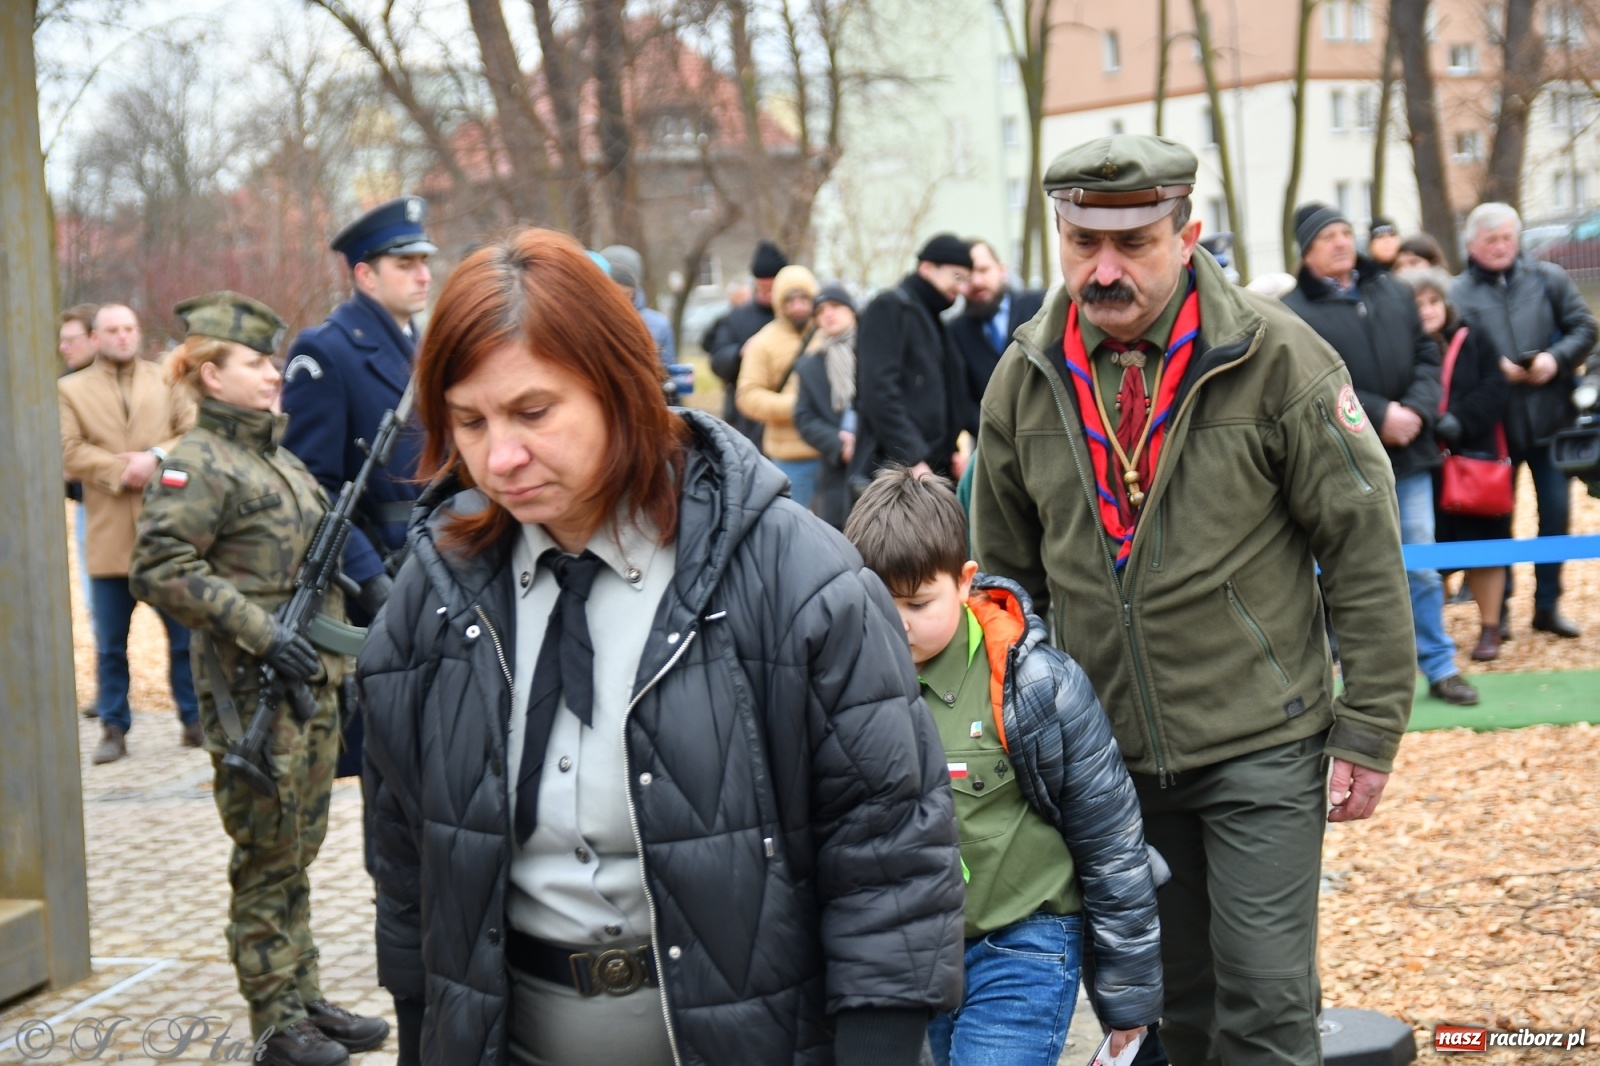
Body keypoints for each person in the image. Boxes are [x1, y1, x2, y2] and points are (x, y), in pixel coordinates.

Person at [356, 229, 963, 1065]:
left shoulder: (797, 578)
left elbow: (888, 852)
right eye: (468, 421)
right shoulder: (429, 598)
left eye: (534, 411)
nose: (500, 456)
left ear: (619, 386)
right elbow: (408, 867)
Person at [971, 135, 1416, 1066]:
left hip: (1262, 737)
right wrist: (1020, 740)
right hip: (1110, 761)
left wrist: (1369, 725)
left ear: (1188, 234)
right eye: (1083, 241)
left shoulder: (1276, 356)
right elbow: (1007, 586)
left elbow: (1363, 545)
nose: (1104, 268)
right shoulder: (1025, 374)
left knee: (1264, 1000)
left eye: (1132, 243)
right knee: (1169, 1009)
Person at [128, 292, 391, 1066]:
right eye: (254, 362)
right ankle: (275, 1021)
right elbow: (159, 568)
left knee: (298, 848)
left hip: (307, 679)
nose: (273, 373)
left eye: (271, 360)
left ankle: (303, 995)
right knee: (264, 856)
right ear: (211, 375)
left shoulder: (275, 457)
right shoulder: (196, 464)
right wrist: (262, 631)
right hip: (254, 692)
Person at [844, 467, 1161, 1066]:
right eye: (877, 602)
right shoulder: (847, 686)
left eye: (917, 603)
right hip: (924, 954)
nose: (898, 623)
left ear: (965, 582)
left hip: (1028, 940)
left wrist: (1129, 997)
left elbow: (1110, 838)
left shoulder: (1035, 684)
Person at [1282, 203, 1477, 707]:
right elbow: (1304, 384)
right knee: (1347, 569)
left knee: (1421, 566)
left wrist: (1412, 412)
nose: (1343, 242)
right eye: (1329, 236)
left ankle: (1439, 665)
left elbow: (1427, 356)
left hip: (1408, 457)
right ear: (1306, 250)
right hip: (1339, 460)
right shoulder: (1292, 312)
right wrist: (1377, 414)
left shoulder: (1393, 290)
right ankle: (1364, 680)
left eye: (1346, 232)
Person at [282, 196, 432, 767]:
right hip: (382, 571)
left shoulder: (425, 345)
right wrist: (368, 576)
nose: (422, 274)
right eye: (405, 263)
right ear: (365, 274)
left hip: (440, 555)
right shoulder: (326, 352)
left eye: (424, 261)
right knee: (390, 751)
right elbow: (311, 486)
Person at [59, 303, 199, 762]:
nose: (123, 337)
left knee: (184, 638)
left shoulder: (167, 378)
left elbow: (195, 432)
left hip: (168, 533)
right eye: (113, 330)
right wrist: (120, 470)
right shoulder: (70, 390)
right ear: (95, 338)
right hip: (108, 535)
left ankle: (194, 719)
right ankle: (114, 727)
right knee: (110, 644)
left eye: (130, 328)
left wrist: (155, 457)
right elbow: (66, 451)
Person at [1452, 201, 1598, 639]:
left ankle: (1548, 606)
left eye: (1506, 238)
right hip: (1493, 430)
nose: (1500, 247)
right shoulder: (1457, 293)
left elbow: (1584, 328)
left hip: (1551, 422)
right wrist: (1491, 367)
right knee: (1496, 521)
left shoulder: (1548, 278)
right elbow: (1448, 350)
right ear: (1472, 245)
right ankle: (1499, 615)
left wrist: (1554, 361)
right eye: (1490, 239)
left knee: (1555, 515)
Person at [1399, 267, 1511, 661]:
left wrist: (1461, 420)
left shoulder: (1474, 336)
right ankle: (1432, 635)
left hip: (1473, 459)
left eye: (1433, 301)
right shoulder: (1401, 345)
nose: (1427, 310)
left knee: (1485, 547)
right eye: (1418, 304)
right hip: (1423, 463)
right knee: (1429, 554)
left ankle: (1491, 628)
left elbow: (1496, 388)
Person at [856, 234, 973, 481]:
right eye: (957, 277)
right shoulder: (890, 307)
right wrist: (913, 458)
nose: (962, 289)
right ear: (927, 268)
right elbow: (878, 392)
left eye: (966, 281)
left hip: (934, 467)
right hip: (900, 472)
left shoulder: (932, 318)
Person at [736, 264, 821, 506]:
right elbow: (747, 395)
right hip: (790, 459)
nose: (798, 306)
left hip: (834, 454)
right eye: (790, 300)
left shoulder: (827, 332)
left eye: (804, 298)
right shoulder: (764, 342)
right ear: (778, 302)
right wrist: (797, 407)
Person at [949, 240, 1046, 432]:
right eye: (967, 275)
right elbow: (961, 401)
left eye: (983, 270)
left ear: (1002, 270)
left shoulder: (1039, 307)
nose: (976, 282)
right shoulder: (955, 331)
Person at [708, 239, 787, 445]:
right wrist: (740, 353)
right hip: (746, 421)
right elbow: (717, 360)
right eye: (762, 287)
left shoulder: (794, 316)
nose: (767, 293)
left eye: (772, 287)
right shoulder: (738, 317)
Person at [792, 283, 859, 528]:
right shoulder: (810, 366)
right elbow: (803, 417)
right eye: (820, 311)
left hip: (881, 461)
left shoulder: (875, 351)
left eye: (836, 306)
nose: (828, 314)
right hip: (836, 472)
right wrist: (838, 444)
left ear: (852, 310)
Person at [60, 304, 99, 646]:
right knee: (98, 601)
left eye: (71, 339)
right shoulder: (65, 386)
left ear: (93, 338)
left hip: (133, 501)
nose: (64, 348)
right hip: (89, 501)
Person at [600, 244, 676, 364]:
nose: (619, 300)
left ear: (635, 290)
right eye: (612, 292)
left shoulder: (658, 325)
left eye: (625, 294)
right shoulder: (589, 322)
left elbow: (668, 373)